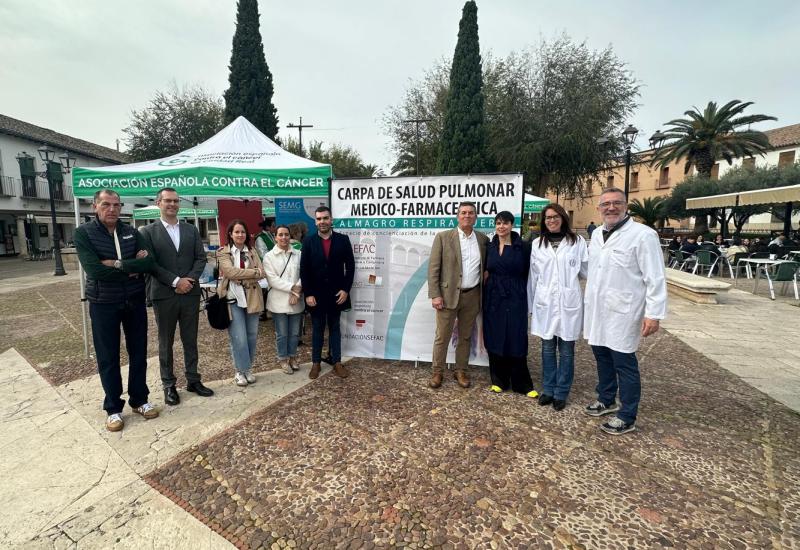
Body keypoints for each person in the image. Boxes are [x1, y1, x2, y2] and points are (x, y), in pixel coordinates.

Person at [583, 187, 667, 435]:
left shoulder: (643, 235)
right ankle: (606, 398)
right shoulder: (597, 234)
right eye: (605, 204)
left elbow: (656, 278)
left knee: (624, 362)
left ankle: (627, 414)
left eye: (616, 203)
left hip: (624, 311)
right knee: (601, 355)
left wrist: (654, 314)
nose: (611, 208)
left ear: (626, 206)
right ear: (599, 209)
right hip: (598, 310)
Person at [74, 189, 158, 431]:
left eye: (116, 205)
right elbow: (95, 270)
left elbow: (148, 262)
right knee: (108, 356)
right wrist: (132, 268)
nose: (112, 209)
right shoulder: (84, 233)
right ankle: (113, 407)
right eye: (106, 204)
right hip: (103, 302)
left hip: (134, 300)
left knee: (139, 352)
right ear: (95, 206)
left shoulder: (131, 232)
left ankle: (139, 399)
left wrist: (117, 263)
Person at [141, 188, 213, 406]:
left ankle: (193, 379)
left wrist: (188, 280)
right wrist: (175, 281)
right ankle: (168, 384)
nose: (172, 204)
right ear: (158, 203)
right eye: (167, 201)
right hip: (164, 295)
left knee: (190, 339)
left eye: (175, 201)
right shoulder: (147, 232)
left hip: (190, 293)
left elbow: (201, 259)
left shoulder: (190, 230)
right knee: (166, 341)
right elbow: (150, 264)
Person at [528, 204, 588, 411]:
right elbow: (533, 277)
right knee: (546, 349)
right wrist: (530, 305)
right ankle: (548, 389)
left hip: (568, 302)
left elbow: (586, 271)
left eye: (555, 217)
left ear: (562, 218)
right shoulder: (537, 243)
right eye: (547, 218)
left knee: (567, 350)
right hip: (545, 302)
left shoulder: (577, 241)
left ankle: (562, 392)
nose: (551, 221)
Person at [427, 202, 489, 389]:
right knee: (442, 336)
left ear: (475, 217)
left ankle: (460, 370)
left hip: (472, 296)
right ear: (457, 216)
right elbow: (433, 269)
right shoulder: (444, 237)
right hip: (447, 296)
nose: (467, 216)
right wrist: (435, 295)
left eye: (471, 213)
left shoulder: (483, 240)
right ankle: (437, 372)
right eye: (463, 213)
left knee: (465, 337)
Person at [482, 211, 536, 397]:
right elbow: (484, 269)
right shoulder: (489, 246)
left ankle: (522, 384)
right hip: (493, 296)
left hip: (516, 295)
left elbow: (531, 273)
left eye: (505, 223)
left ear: (512, 225)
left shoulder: (524, 247)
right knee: (495, 336)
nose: (501, 227)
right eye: (498, 223)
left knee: (516, 336)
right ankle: (498, 380)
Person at [300, 206, 355, 379]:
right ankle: (316, 363)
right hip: (316, 295)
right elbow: (304, 269)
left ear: (331, 220)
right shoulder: (308, 241)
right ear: (315, 221)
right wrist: (308, 293)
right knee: (317, 329)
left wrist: (345, 290)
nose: (322, 222)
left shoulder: (343, 240)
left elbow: (351, 267)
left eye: (325, 218)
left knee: (335, 328)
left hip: (336, 294)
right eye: (319, 219)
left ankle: (337, 362)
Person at [216, 219, 267, 386]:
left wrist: (243, 275)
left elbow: (262, 273)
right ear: (230, 234)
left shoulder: (252, 251)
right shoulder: (224, 252)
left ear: (247, 235)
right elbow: (230, 272)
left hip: (252, 298)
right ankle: (240, 371)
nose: (240, 235)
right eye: (236, 232)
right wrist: (252, 273)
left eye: (243, 232)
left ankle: (247, 369)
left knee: (251, 336)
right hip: (233, 299)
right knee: (239, 338)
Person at [264, 225, 303, 374]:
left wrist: (297, 291)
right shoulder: (269, 256)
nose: (284, 238)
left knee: (294, 333)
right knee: (282, 333)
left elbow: (305, 273)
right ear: (275, 237)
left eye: (286, 234)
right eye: (280, 235)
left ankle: (293, 357)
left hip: (296, 299)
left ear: (290, 236)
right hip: (278, 300)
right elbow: (272, 280)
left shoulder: (299, 254)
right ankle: (283, 359)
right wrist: (293, 288)